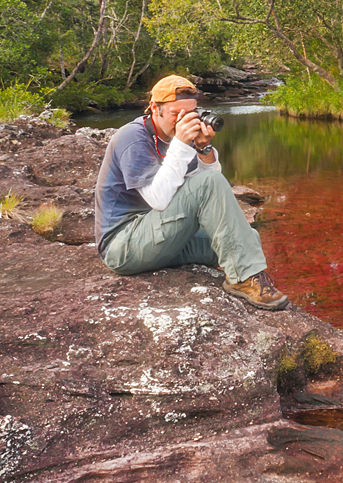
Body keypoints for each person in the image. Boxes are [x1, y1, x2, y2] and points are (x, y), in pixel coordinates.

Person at [93, 75, 289, 311]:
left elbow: (206, 184)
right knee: (235, 241)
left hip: (159, 235)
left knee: (244, 241)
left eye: (191, 113)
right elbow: (159, 199)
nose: (183, 120)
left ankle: (244, 272)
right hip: (124, 246)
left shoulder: (174, 138)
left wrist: (203, 148)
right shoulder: (132, 138)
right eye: (177, 114)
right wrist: (181, 144)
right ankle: (242, 280)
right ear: (155, 108)